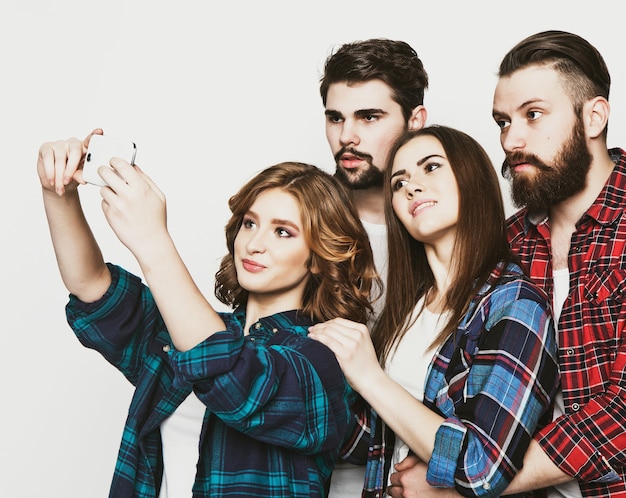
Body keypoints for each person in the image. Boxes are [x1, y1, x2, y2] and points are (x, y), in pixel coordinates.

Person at [38, 128, 380, 497]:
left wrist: (154, 242)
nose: (254, 243)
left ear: (317, 257)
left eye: (283, 232)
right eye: (250, 223)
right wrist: (59, 192)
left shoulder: (324, 360)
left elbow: (233, 376)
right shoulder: (184, 329)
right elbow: (92, 288)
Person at [388, 30, 626, 498]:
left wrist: (457, 486)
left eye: (533, 115)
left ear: (594, 116)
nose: (511, 139)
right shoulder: (507, 241)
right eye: (502, 121)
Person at [309, 125, 559, 497]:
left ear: (471, 178)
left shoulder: (516, 305)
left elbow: (482, 468)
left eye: (430, 167)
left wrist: (370, 376)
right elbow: (368, 440)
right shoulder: (405, 311)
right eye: (398, 182)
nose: (411, 187)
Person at [319, 37, 429, 496]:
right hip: (305, 471)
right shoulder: (299, 218)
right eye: (336, 117)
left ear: (415, 121)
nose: (348, 136)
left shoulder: (444, 230)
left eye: (369, 117)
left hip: (412, 474)